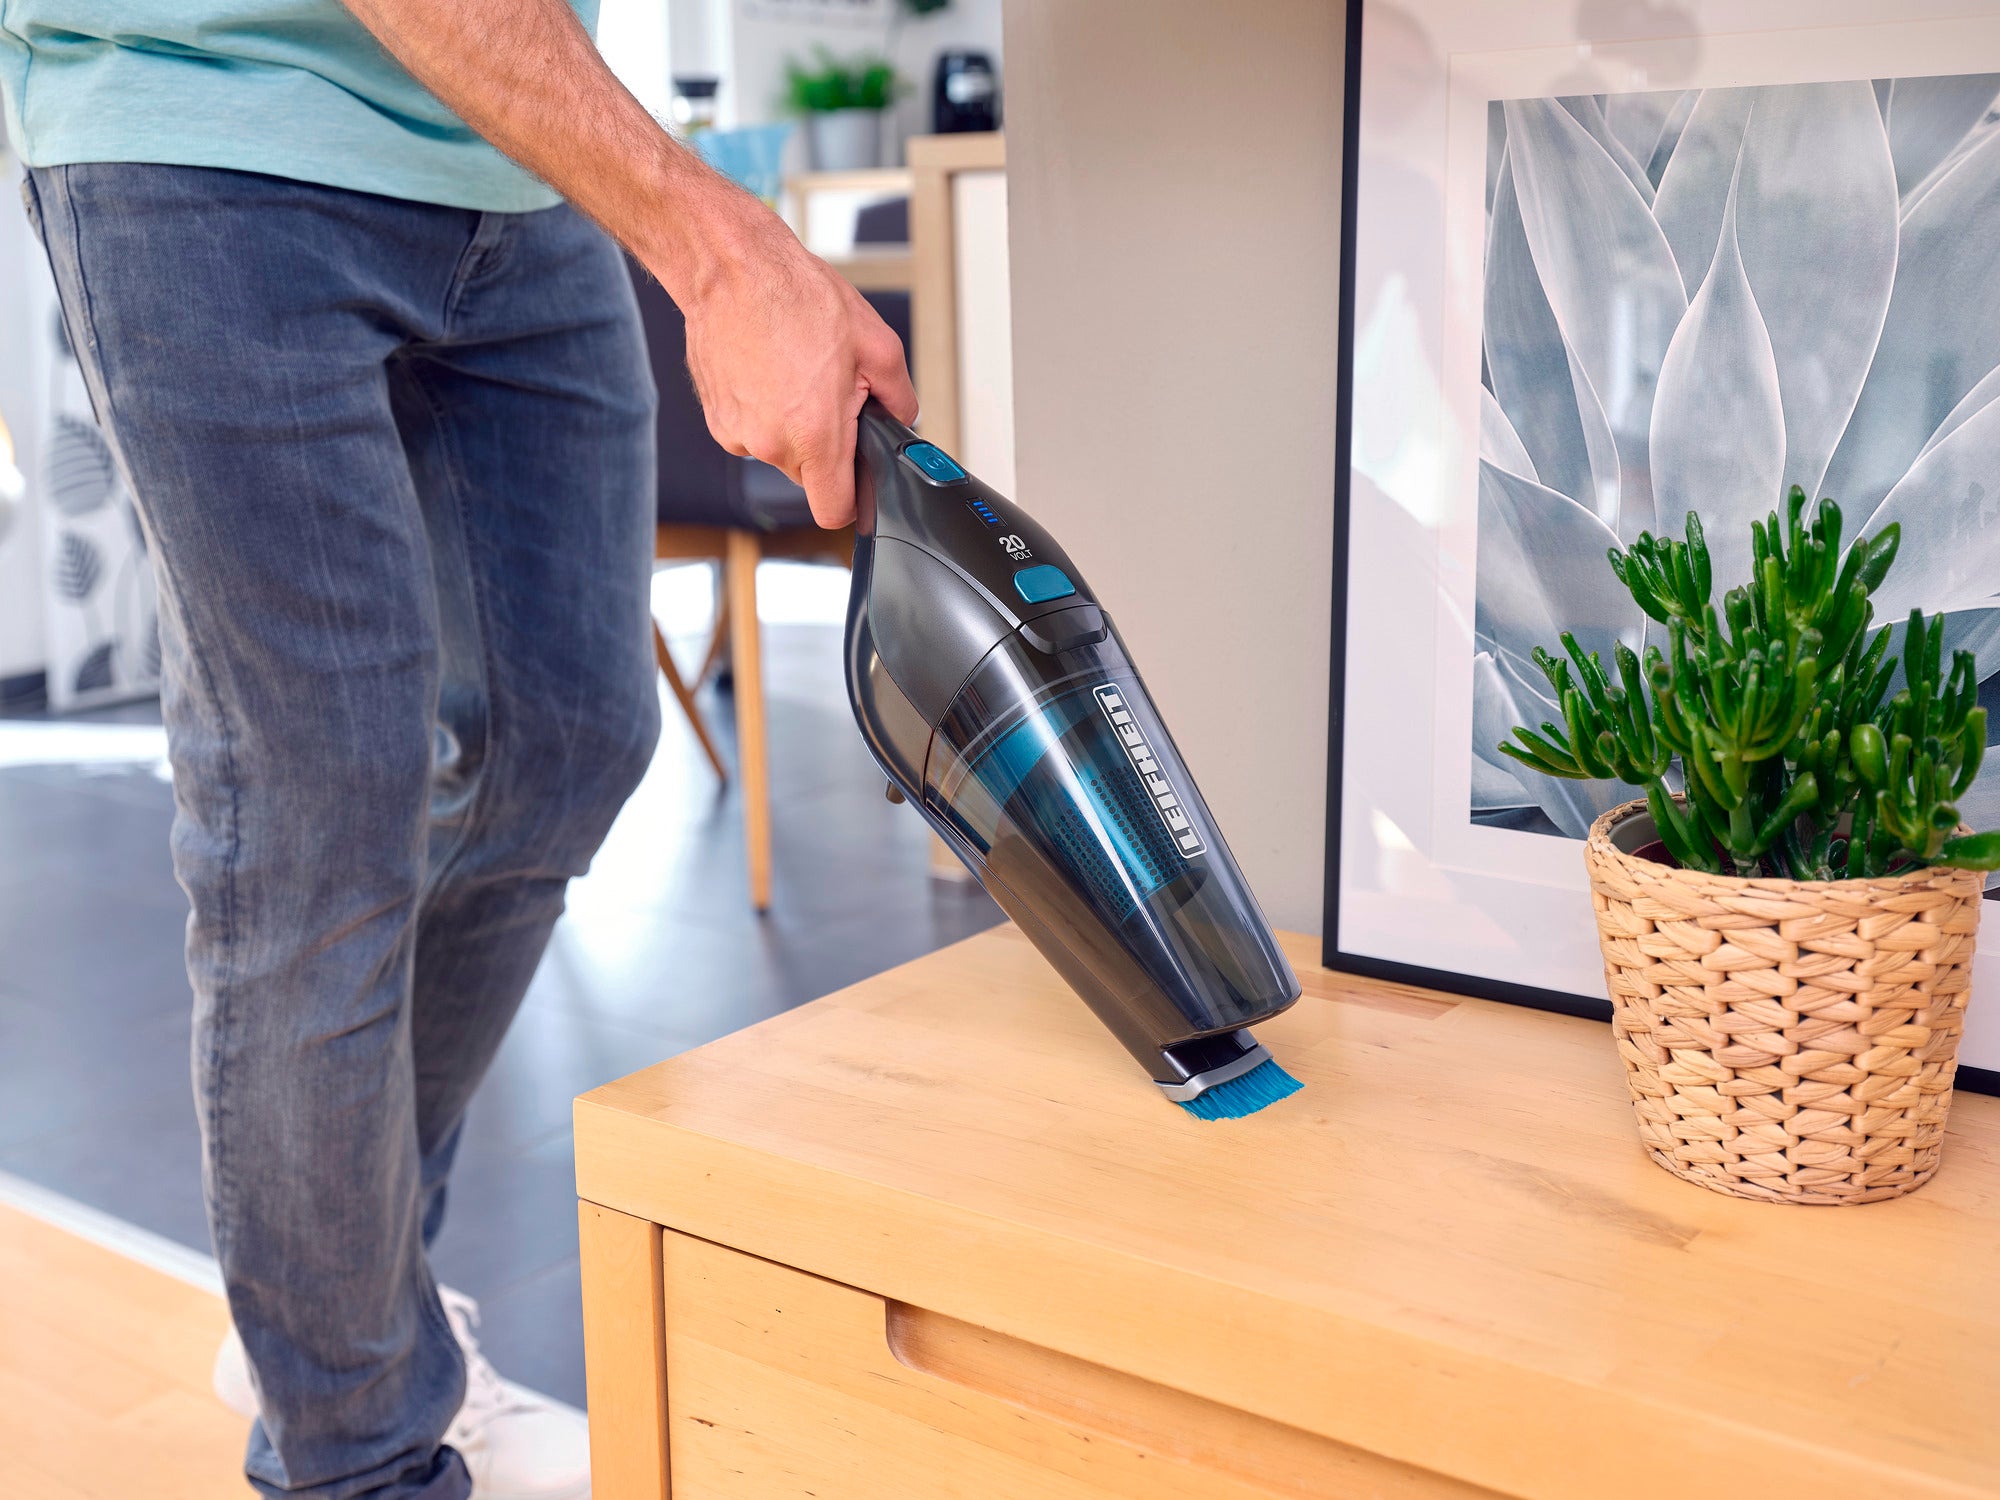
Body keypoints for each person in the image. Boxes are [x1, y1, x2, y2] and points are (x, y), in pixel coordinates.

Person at [0, 1, 918, 1496]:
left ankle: (341, 1304)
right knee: (316, 815)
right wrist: (722, 247)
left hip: (514, 164)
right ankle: (352, 1450)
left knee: (568, 746)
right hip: (198, 137)